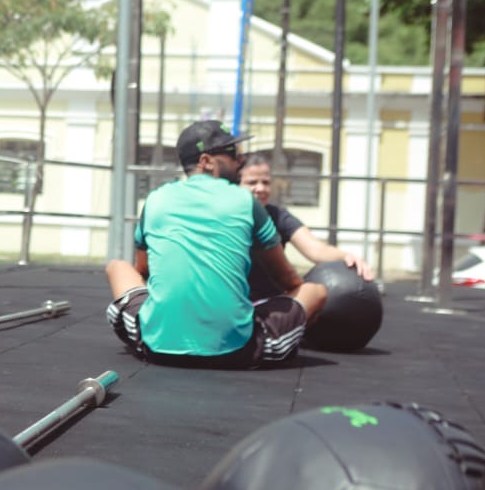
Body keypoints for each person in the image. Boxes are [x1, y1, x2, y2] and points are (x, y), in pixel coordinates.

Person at [104, 120, 327, 368]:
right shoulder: (244, 200)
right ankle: (292, 335)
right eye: (232, 154)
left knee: (117, 266)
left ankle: (168, 326)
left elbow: (142, 270)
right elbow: (288, 280)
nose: (240, 160)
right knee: (315, 291)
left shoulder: (155, 199)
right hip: (237, 352)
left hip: (155, 346)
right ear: (206, 161)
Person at [238, 153, 375, 299]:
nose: (260, 189)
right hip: (233, 301)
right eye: (252, 182)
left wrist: (348, 257)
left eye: (266, 182)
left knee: (315, 292)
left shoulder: (278, 215)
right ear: (236, 185)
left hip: (270, 301)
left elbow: (316, 249)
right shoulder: (223, 217)